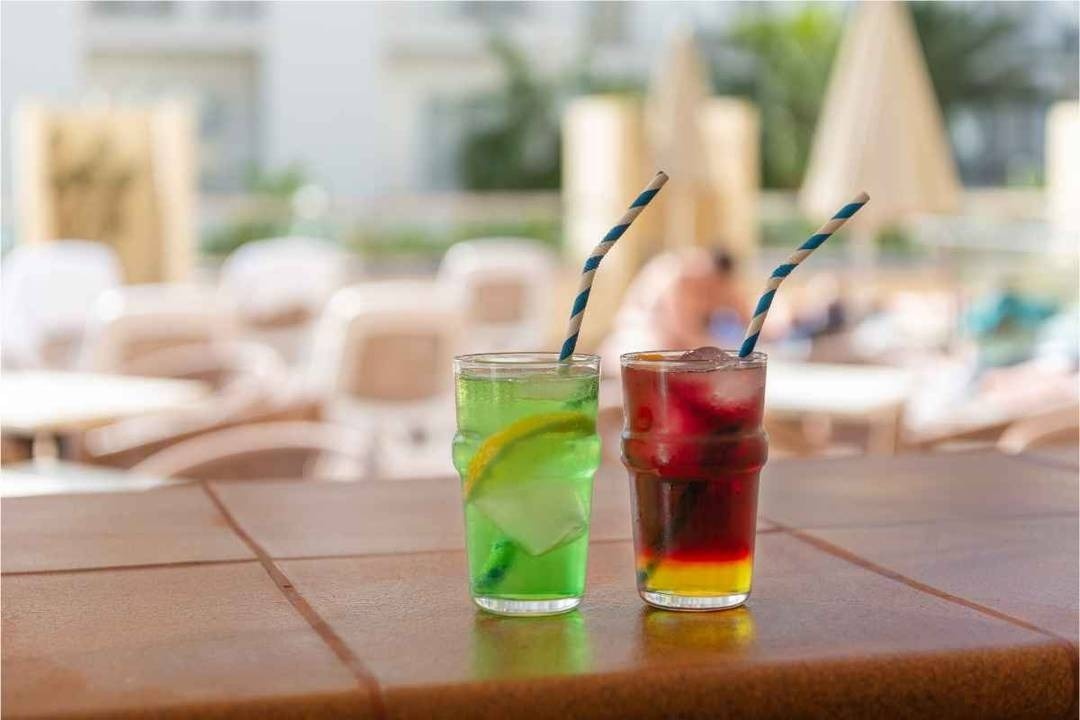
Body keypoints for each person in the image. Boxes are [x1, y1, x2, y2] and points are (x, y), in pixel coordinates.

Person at [601, 248, 770, 373]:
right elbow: (682, 334)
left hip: (665, 356)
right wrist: (730, 356)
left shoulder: (716, 283)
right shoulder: (678, 276)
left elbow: (750, 321)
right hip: (634, 349)